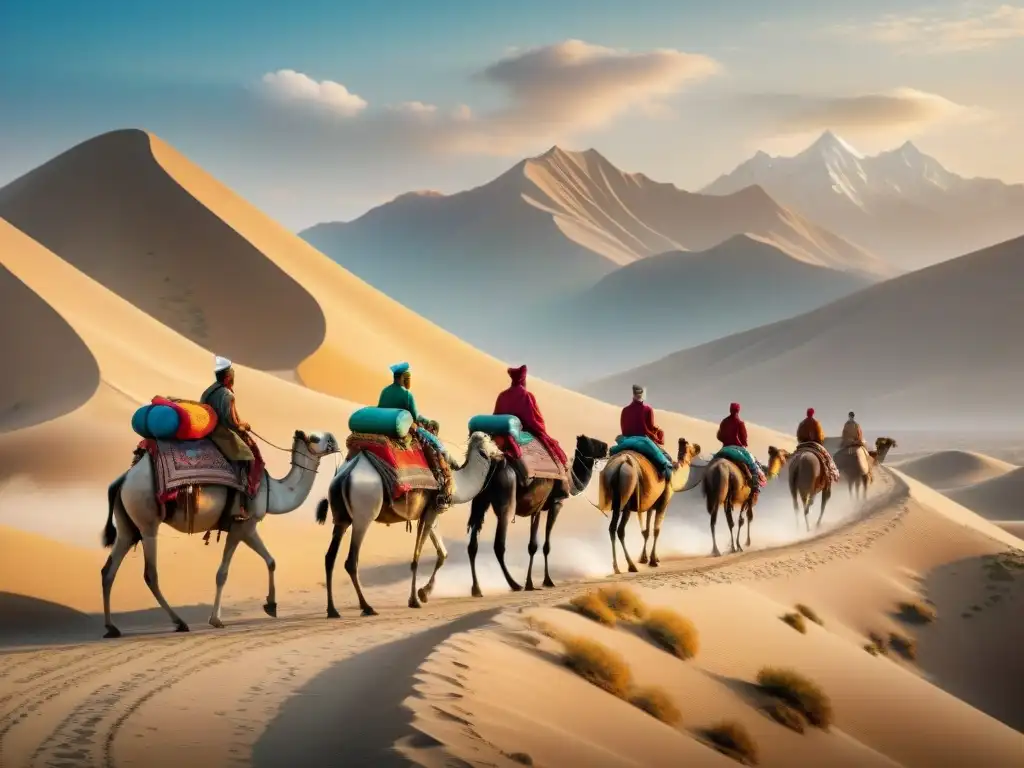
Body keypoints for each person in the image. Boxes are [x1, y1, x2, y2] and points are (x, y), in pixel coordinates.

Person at [377, 362, 453, 508]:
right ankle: (440, 484)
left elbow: (381, 410)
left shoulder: (385, 391)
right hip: (400, 432)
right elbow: (415, 417)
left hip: (382, 429)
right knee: (435, 446)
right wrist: (428, 422)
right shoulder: (406, 395)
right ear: (404, 378)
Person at [200, 355, 262, 522]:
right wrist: (244, 425)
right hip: (222, 435)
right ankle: (238, 504)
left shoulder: (208, 391)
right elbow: (231, 422)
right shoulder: (227, 395)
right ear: (228, 377)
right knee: (247, 456)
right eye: (232, 375)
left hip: (207, 432)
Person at [494, 365, 568, 488]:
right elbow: (535, 420)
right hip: (522, 434)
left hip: (500, 435)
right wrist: (540, 432)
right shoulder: (527, 396)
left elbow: (496, 416)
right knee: (552, 450)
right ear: (523, 380)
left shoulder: (502, 396)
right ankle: (560, 490)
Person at [620, 385, 673, 477]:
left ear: (633, 394)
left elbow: (623, 429)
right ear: (643, 394)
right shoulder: (648, 409)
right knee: (666, 460)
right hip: (643, 442)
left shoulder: (625, 410)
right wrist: (658, 433)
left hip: (627, 441)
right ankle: (668, 482)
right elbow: (650, 427)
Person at [716, 402, 763, 501]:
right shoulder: (740, 423)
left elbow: (719, 436)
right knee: (752, 463)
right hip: (738, 449)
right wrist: (744, 443)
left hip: (724, 449)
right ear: (738, 410)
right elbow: (744, 439)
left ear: (730, 409)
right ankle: (755, 487)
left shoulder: (724, 422)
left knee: (713, 461)